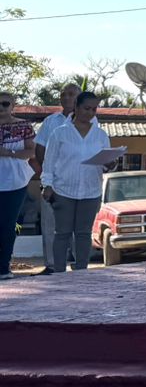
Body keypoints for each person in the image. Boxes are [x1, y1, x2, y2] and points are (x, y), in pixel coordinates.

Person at [39, 91, 116, 272]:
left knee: (83, 234)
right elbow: (49, 162)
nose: (90, 113)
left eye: (94, 109)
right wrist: (47, 185)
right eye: (86, 108)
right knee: (62, 233)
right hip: (63, 190)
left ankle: (81, 271)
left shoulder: (100, 135)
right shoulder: (60, 133)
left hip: (90, 191)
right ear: (76, 107)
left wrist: (110, 164)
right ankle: (59, 272)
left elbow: (106, 163)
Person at [30, 82, 80, 272]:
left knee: (76, 224)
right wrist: (48, 172)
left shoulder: (90, 121)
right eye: (63, 94)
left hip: (76, 182)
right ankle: (51, 265)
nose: (66, 97)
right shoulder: (50, 121)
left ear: (79, 98)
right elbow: (40, 148)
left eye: (71, 94)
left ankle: (78, 264)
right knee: (50, 224)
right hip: (52, 181)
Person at [0, 92, 36, 279]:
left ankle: (3, 266)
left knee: (8, 225)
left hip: (15, 182)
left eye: (5, 104)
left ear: (13, 105)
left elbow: (31, 152)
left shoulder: (24, 126)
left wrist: (8, 152)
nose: (1, 107)